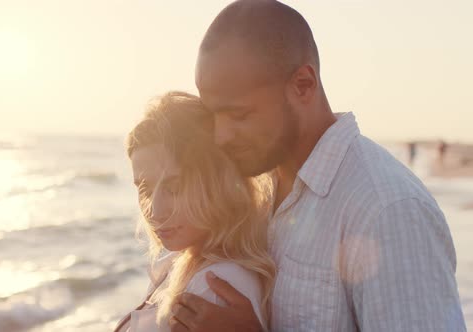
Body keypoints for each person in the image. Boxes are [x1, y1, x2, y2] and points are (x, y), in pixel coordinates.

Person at [170, 1, 466, 331]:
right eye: (212, 115)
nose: (221, 136)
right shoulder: (257, 188)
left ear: (303, 85)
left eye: (238, 115)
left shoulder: (387, 210)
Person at [114, 91, 276, 331]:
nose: (156, 211)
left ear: (218, 182)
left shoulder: (214, 289)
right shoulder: (182, 264)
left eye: (174, 187)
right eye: (145, 189)